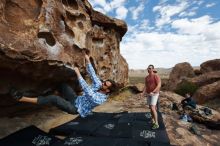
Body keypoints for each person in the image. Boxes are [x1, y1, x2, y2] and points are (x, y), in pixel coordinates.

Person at [10, 52, 116, 118]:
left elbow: (88, 91)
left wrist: (78, 73)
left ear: (107, 90)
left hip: (75, 109)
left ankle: (20, 98)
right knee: (63, 85)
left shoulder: (100, 99)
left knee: (54, 99)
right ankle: (47, 95)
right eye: (104, 82)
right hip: (76, 99)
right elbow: (93, 74)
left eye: (105, 85)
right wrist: (87, 60)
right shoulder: (99, 85)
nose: (102, 83)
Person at [141, 64, 161, 129]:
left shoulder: (156, 76)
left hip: (154, 94)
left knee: (153, 107)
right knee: (151, 107)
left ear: (153, 69)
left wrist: (153, 91)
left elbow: (159, 85)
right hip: (148, 94)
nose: (149, 69)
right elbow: (146, 86)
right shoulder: (146, 77)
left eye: (150, 68)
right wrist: (143, 93)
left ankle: (157, 123)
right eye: (148, 68)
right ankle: (152, 119)